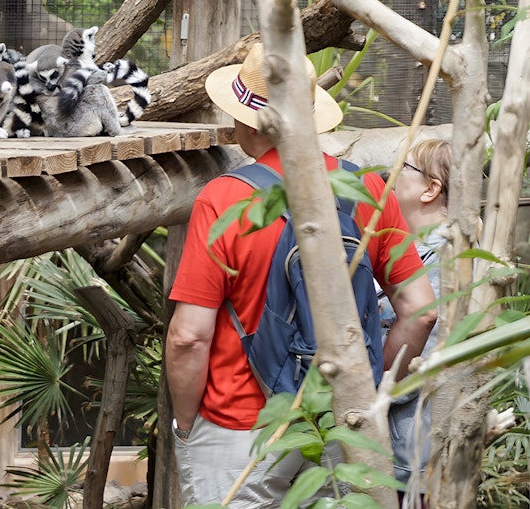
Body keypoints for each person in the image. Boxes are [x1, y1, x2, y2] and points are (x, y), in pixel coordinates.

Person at [165, 43, 438, 507]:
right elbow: (420, 311)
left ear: (250, 121)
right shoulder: (368, 188)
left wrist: (187, 425)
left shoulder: (224, 199)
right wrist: (370, 389)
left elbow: (189, 337)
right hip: (344, 419)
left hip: (242, 426)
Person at [380, 138, 451, 505]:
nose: (391, 176)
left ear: (431, 188)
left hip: (414, 453)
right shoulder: (407, 248)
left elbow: (417, 365)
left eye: (404, 167)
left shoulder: (443, 260)